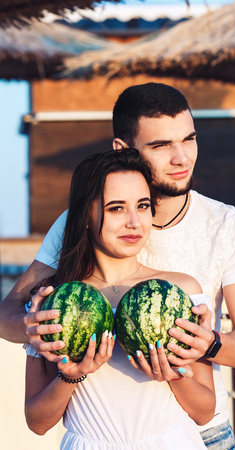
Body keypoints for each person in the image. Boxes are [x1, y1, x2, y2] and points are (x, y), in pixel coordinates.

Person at [0, 82, 235, 450]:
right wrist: (35, 330)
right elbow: (9, 314)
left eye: (188, 139)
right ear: (123, 149)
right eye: (160, 145)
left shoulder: (226, 226)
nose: (182, 158)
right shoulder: (75, 224)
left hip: (201, 429)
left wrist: (206, 345)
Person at [24, 149, 215, 449]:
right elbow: (37, 422)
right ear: (85, 215)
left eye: (142, 206)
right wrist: (71, 377)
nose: (134, 222)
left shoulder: (180, 291)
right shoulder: (54, 301)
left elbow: (205, 411)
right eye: (116, 208)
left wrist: (174, 376)